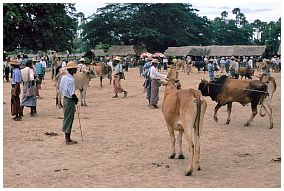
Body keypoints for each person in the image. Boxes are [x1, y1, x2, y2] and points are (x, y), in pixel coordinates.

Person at [59, 61, 79, 145]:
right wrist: (76, 99)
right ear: (72, 69)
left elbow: (61, 88)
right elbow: (72, 93)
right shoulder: (71, 80)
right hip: (70, 100)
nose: (76, 70)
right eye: (75, 69)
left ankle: (67, 137)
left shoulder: (64, 77)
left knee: (66, 117)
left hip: (65, 99)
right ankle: (68, 139)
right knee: (69, 119)